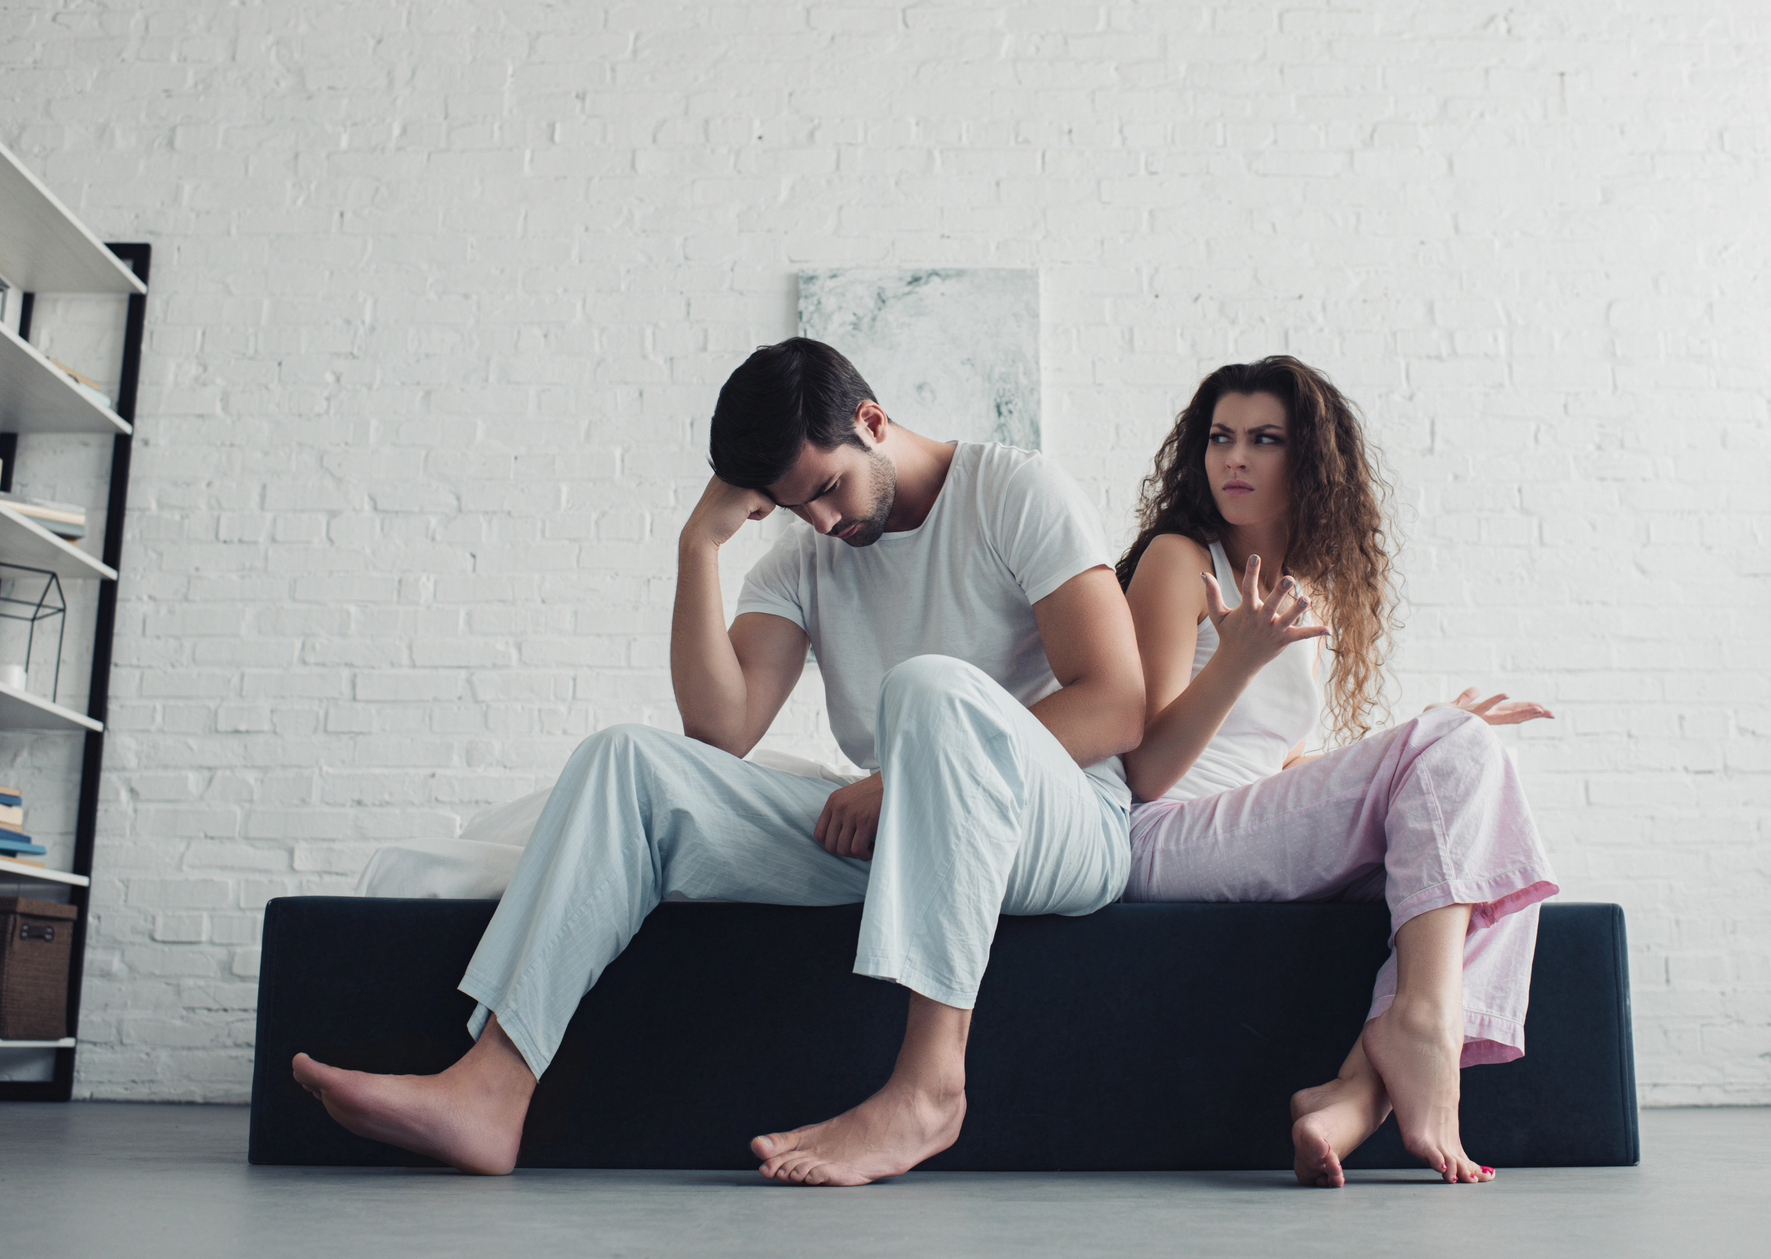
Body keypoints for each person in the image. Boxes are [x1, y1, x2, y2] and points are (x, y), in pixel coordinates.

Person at [292, 338, 1146, 1184]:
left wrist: (905, 778)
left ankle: (928, 1090)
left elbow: (1118, 700)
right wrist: (697, 546)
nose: (822, 521)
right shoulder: (810, 554)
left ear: (873, 422)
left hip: (1060, 825)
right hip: (911, 837)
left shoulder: (1015, 491)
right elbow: (717, 735)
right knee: (627, 761)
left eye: (826, 488)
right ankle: (490, 1087)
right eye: (791, 505)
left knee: (928, 690)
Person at [1115, 356, 1557, 1188]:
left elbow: (1283, 764)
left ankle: (1353, 1096)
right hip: (1166, 835)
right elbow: (1145, 767)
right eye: (1220, 438)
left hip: (1239, 829)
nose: (1234, 458)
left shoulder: (1306, 596)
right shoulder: (1181, 560)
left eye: (1264, 439)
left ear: (1311, 461)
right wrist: (1235, 663)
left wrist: (1437, 757)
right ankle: (1420, 1026)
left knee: (1480, 838)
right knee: (1457, 755)